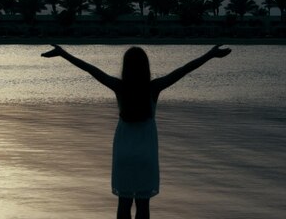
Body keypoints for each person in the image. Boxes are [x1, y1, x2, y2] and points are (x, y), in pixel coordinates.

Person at [41, 44, 231, 219]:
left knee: (123, 204)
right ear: (145, 67)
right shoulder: (153, 88)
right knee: (143, 206)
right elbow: (183, 70)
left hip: (124, 155)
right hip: (145, 156)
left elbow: (91, 69)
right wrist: (210, 55)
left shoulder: (119, 87)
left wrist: (63, 53)